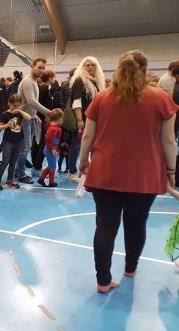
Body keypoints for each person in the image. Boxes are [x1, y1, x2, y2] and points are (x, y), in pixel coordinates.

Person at [79, 50, 178, 293]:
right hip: (144, 175)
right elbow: (168, 141)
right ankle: (130, 269)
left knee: (105, 226)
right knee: (137, 224)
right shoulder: (160, 98)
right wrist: (172, 171)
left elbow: (88, 136)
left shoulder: (102, 97)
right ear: (145, 71)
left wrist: (83, 161)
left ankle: (103, 281)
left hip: (105, 172)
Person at [67, 56, 106, 183]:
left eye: (92, 65)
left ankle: (86, 171)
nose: (90, 67)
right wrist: (79, 120)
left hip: (95, 119)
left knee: (92, 145)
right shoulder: (80, 81)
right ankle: (71, 172)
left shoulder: (97, 82)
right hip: (83, 118)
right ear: (82, 67)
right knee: (76, 145)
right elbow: (76, 101)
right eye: (87, 65)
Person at [15, 58, 52, 184]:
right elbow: (31, 101)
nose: (41, 70)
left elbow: (29, 103)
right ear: (32, 66)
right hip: (24, 119)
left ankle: (17, 171)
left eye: (43, 68)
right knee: (25, 148)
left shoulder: (34, 82)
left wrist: (34, 114)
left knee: (25, 147)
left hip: (29, 118)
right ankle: (20, 173)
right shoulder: (27, 82)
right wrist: (48, 112)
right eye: (39, 67)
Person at [0, 95, 31, 190]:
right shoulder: (4, 114)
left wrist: (20, 111)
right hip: (8, 141)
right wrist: (7, 125)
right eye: (14, 105)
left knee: (13, 162)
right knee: (5, 161)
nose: (16, 107)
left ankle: (9, 180)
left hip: (18, 140)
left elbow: (29, 117)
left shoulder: (20, 113)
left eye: (18, 105)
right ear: (9, 104)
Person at [31, 68, 56, 176]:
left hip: (42, 119)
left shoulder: (44, 89)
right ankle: (37, 166)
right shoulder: (44, 89)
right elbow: (39, 105)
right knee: (41, 143)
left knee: (38, 143)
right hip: (42, 120)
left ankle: (36, 166)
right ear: (50, 78)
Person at [37, 109, 63, 187]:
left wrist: (56, 149)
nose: (63, 121)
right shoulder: (53, 129)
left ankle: (41, 179)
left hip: (50, 149)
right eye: (62, 119)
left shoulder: (53, 127)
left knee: (51, 165)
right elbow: (48, 140)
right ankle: (51, 182)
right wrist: (52, 149)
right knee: (53, 166)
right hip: (49, 150)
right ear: (58, 119)